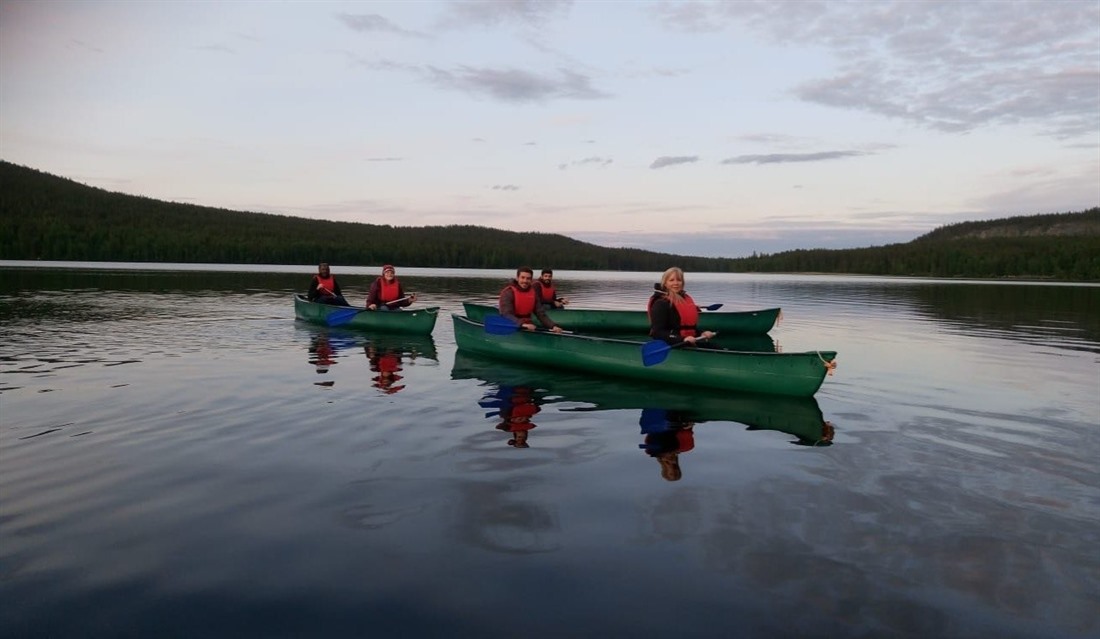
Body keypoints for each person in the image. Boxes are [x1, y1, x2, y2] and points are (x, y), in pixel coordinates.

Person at [648, 266, 716, 345]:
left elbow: (687, 327)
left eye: (679, 280)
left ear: (682, 283)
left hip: (689, 341)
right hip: (674, 343)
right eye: (671, 280)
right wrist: (682, 339)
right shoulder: (661, 303)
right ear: (665, 283)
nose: (676, 283)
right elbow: (657, 333)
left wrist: (702, 333)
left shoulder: (684, 300)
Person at [498, 266, 563, 333]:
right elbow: (506, 314)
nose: (525, 281)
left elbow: (540, 314)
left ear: (531, 280)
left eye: (528, 278)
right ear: (517, 278)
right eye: (522, 278)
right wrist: (522, 324)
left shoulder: (533, 293)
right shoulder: (508, 292)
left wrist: (553, 326)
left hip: (528, 325)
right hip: (511, 325)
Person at [639, 410, 696, 482]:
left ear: (665, 471)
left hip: (657, 420)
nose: (675, 471)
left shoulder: (651, 451)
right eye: (677, 473)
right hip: (675, 419)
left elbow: (650, 435)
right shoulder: (686, 447)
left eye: (672, 473)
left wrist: (664, 457)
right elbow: (687, 430)